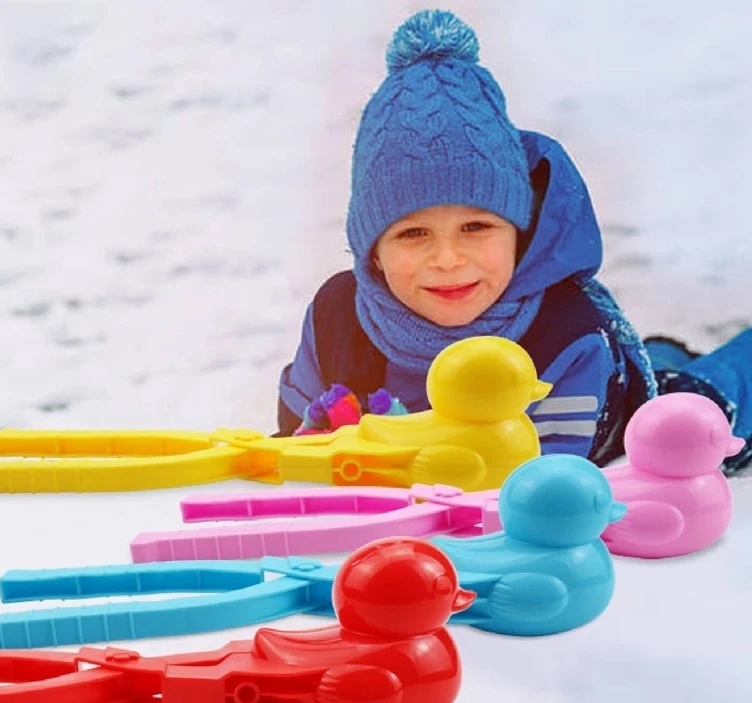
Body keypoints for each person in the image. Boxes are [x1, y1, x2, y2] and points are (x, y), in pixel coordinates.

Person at [276, 9, 751, 475]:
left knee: (701, 416)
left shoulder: (566, 332)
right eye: (413, 233)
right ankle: (662, 351)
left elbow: (531, 488)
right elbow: (294, 442)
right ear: (372, 250)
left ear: (519, 233)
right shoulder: (337, 317)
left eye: (476, 227)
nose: (447, 259)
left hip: (620, 424)